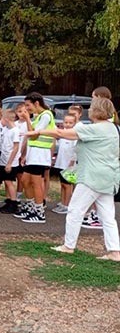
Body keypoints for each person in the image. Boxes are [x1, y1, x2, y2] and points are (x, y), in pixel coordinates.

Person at [27, 97, 120, 262]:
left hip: (91, 178)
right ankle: (114, 251)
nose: (89, 110)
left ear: (97, 111)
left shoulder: (96, 129)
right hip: (108, 177)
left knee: (75, 210)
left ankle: (68, 246)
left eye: (91, 107)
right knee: (107, 216)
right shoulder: (113, 128)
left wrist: (39, 131)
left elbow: (62, 133)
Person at [17, 92, 54, 224]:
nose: (26, 109)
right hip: (33, 154)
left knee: (36, 183)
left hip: (40, 155)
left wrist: (27, 119)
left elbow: (33, 134)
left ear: (36, 103)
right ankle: (31, 205)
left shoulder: (46, 116)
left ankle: (39, 212)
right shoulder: (38, 116)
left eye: (28, 105)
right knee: (25, 180)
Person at [51, 114, 78, 215]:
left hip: (68, 164)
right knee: (62, 185)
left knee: (67, 185)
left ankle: (67, 205)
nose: (67, 124)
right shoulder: (63, 134)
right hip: (60, 163)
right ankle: (63, 202)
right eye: (66, 122)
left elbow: (76, 150)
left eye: (70, 123)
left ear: (74, 123)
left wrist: (72, 162)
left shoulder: (73, 135)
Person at [0, 109, 21, 214]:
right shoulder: (6, 129)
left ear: (6, 119)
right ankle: (8, 201)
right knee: (6, 182)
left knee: (9, 181)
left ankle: (14, 202)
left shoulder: (15, 131)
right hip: (3, 159)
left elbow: (15, 147)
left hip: (11, 161)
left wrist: (10, 163)